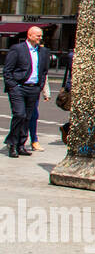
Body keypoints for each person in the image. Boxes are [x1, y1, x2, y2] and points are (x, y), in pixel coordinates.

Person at [4, 26, 51, 158]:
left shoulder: (44, 52)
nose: (40, 38)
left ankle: (21, 145)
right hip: (19, 87)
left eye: (41, 36)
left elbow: (44, 71)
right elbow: (7, 70)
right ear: (29, 36)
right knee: (19, 114)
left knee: (27, 117)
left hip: (33, 89)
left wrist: (39, 86)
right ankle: (12, 144)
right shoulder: (17, 49)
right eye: (38, 36)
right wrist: (13, 86)